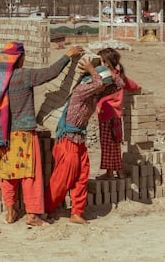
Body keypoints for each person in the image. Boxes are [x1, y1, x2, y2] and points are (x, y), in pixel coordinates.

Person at [0, 41, 84, 227]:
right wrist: (68, 55)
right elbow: (50, 73)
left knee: (8, 175)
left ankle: (10, 212)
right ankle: (32, 215)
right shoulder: (23, 75)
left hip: (3, 135)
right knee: (30, 174)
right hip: (23, 135)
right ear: (19, 58)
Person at [45, 60, 124, 225]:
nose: (103, 88)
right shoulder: (81, 91)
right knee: (63, 179)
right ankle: (46, 209)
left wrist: (108, 69)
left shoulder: (94, 94)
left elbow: (119, 85)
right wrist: (92, 70)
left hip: (79, 140)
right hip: (67, 140)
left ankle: (76, 213)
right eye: (102, 84)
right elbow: (99, 83)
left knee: (82, 177)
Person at [95, 48, 142, 180]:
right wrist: (139, 89)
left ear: (106, 62)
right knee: (115, 143)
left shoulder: (107, 76)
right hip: (116, 114)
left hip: (106, 112)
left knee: (107, 144)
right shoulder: (119, 75)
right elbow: (132, 86)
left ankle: (110, 173)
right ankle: (119, 171)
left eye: (99, 61)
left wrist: (99, 103)